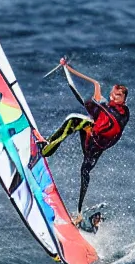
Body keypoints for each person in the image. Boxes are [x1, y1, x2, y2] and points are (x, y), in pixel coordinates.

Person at [37, 58, 129, 224]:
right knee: (74, 119)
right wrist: (67, 68)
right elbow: (90, 84)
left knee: (84, 172)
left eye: (119, 96)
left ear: (124, 99)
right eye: (113, 94)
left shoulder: (123, 113)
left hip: (96, 147)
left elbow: (113, 121)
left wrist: (97, 103)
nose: (114, 97)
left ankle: (79, 214)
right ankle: (46, 148)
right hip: (90, 136)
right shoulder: (105, 105)